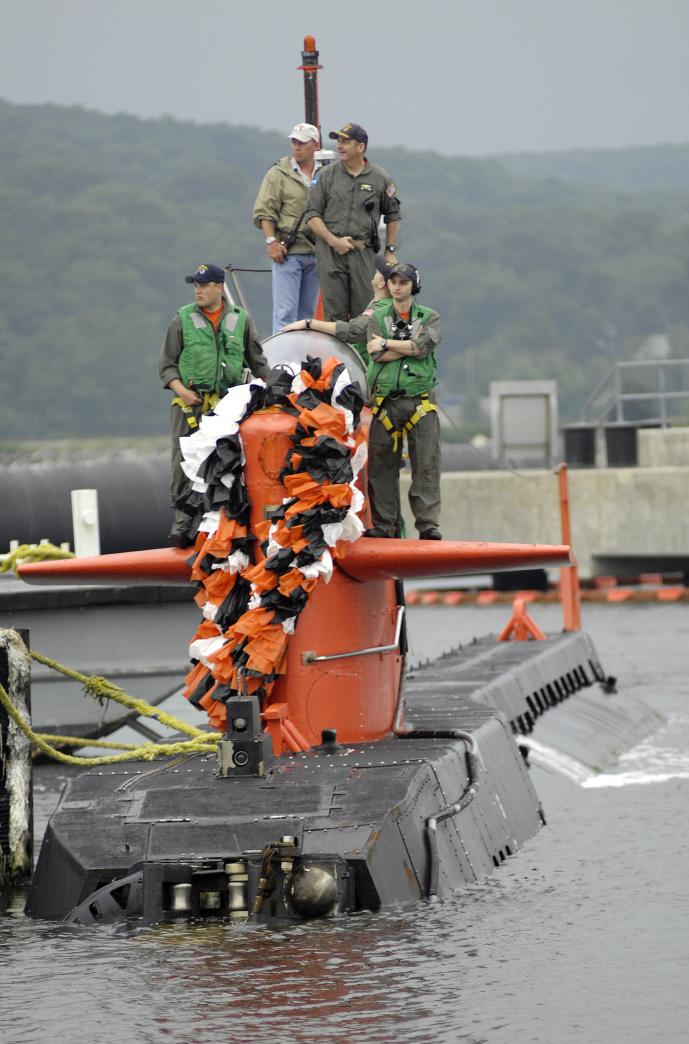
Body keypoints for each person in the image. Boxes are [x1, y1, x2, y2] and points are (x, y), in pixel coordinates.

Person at [159, 263, 268, 545]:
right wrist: (182, 390)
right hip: (189, 406)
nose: (198, 290)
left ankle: (224, 523)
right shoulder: (182, 319)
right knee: (183, 464)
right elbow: (167, 366)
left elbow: (258, 362)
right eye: (195, 285)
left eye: (204, 285)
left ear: (219, 288)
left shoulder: (239, 320)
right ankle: (184, 525)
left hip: (225, 408)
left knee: (226, 466)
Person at [365, 262, 442, 540]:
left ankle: (428, 525)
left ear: (413, 286)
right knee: (380, 467)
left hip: (419, 400)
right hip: (385, 402)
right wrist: (406, 347)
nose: (397, 287)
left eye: (403, 282)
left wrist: (387, 343)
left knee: (426, 465)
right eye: (393, 282)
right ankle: (386, 525)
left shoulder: (430, 317)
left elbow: (423, 348)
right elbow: (375, 354)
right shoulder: (378, 317)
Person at [304, 122, 401, 322]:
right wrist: (332, 240)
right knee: (334, 315)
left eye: (346, 141)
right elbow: (312, 215)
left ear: (360, 147)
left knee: (364, 312)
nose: (340, 146)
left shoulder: (380, 178)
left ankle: (363, 353)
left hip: (362, 252)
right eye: (338, 141)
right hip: (330, 252)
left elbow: (393, 214)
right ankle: (334, 354)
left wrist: (390, 250)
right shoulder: (325, 175)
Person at [252, 123, 322, 334]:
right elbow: (265, 211)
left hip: (317, 252)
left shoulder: (326, 173)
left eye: (302, 142)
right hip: (288, 252)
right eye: (294, 142)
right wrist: (270, 241)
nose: (296, 147)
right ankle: (283, 364)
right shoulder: (278, 173)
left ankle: (304, 364)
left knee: (307, 316)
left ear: (315, 145)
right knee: (285, 314)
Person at [282, 255, 391, 361]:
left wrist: (309, 323)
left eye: (377, 272)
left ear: (381, 284)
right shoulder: (384, 303)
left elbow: (353, 331)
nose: (374, 273)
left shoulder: (380, 309)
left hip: (364, 367)